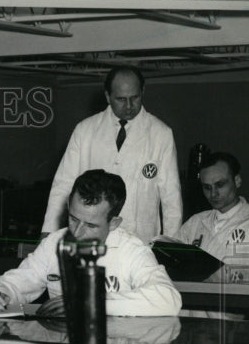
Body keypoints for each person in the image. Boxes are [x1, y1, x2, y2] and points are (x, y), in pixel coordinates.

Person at [0, 169, 181, 318]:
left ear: (113, 223)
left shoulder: (132, 251)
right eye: (74, 219)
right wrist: (0, 294)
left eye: (91, 225)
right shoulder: (54, 243)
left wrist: (91, 303)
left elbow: (168, 299)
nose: (76, 233)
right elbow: (19, 282)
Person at [41, 66, 182, 244]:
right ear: (107, 96)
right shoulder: (85, 130)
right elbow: (63, 185)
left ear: (143, 91)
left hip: (140, 239)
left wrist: (172, 246)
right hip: (91, 237)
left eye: (135, 98)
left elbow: (171, 198)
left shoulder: (161, 133)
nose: (129, 106)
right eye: (121, 99)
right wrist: (48, 232)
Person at [170, 152, 249, 283]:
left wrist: (219, 275)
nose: (213, 193)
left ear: (237, 181)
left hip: (236, 302)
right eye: (207, 187)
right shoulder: (195, 223)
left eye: (220, 185)